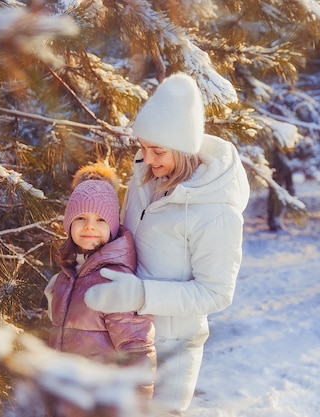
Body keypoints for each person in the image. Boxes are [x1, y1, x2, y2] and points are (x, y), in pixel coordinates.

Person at [85, 72, 250, 413]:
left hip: (171, 348)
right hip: (123, 334)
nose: (148, 158)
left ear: (184, 148)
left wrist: (142, 295)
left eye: (158, 150)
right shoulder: (145, 179)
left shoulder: (216, 211)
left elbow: (217, 293)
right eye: (143, 147)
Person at [45, 164, 156, 416]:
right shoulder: (66, 275)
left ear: (113, 225)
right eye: (81, 218)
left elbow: (136, 348)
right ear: (68, 224)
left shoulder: (113, 279)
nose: (89, 226)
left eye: (100, 219)